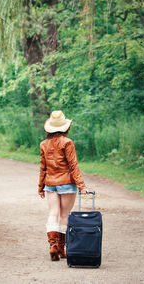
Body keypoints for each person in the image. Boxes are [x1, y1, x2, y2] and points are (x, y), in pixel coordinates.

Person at [38, 110, 89, 261]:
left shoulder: (44, 144)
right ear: (65, 127)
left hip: (50, 184)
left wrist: (40, 187)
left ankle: (53, 245)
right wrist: (82, 186)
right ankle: (61, 247)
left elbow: (43, 168)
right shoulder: (67, 142)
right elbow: (73, 166)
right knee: (64, 215)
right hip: (66, 183)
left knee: (53, 213)